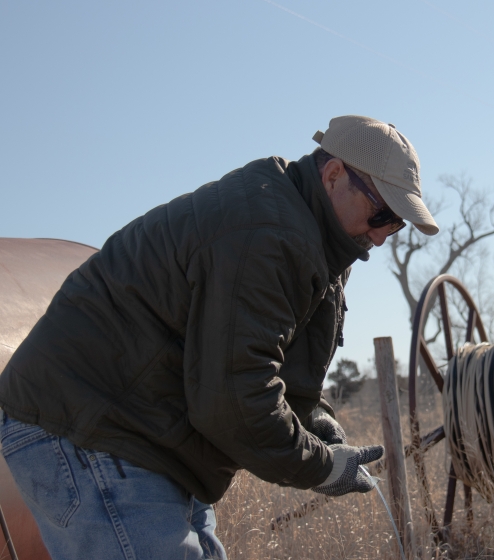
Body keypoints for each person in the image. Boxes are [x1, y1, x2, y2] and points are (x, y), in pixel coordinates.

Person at [0, 115, 438, 560]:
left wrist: (312, 419)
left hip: (152, 437)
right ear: (333, 175)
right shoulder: (267, 234)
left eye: (396, 223)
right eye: (382, 213)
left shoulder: (318, 235)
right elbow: (233, 400)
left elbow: (268, 357)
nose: (383, 236)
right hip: (89, 425)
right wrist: (322, 468)